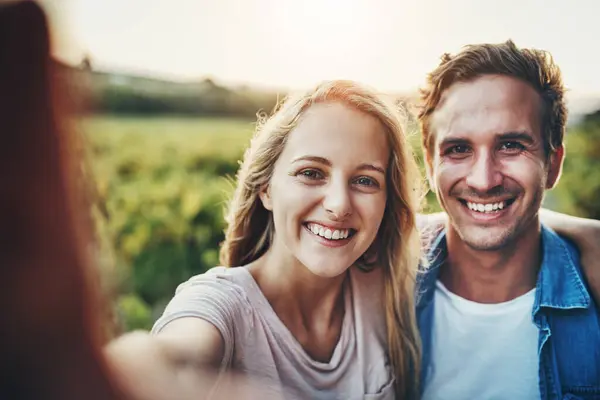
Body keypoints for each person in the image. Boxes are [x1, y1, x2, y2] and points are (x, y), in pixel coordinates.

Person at [416, 40, 600, 400]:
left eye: (511, 145)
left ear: (553, 163)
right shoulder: (376, 289)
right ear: (428, 163)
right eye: (458, 149)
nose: (483, 181)